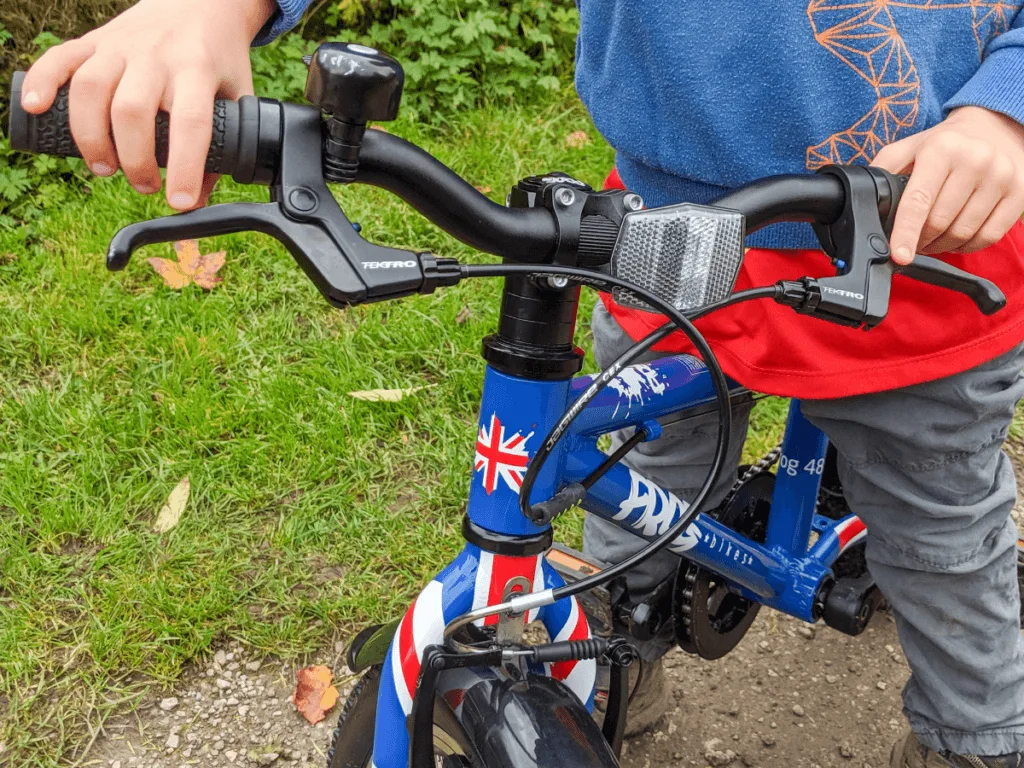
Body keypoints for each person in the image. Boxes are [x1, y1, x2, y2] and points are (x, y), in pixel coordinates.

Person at [20, 1, 1024, 766]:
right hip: (668, 237)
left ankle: (972, 733)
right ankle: (613, 683)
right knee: (635, 491)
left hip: (922, 251)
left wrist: (1003, 118)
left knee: (939, 542)